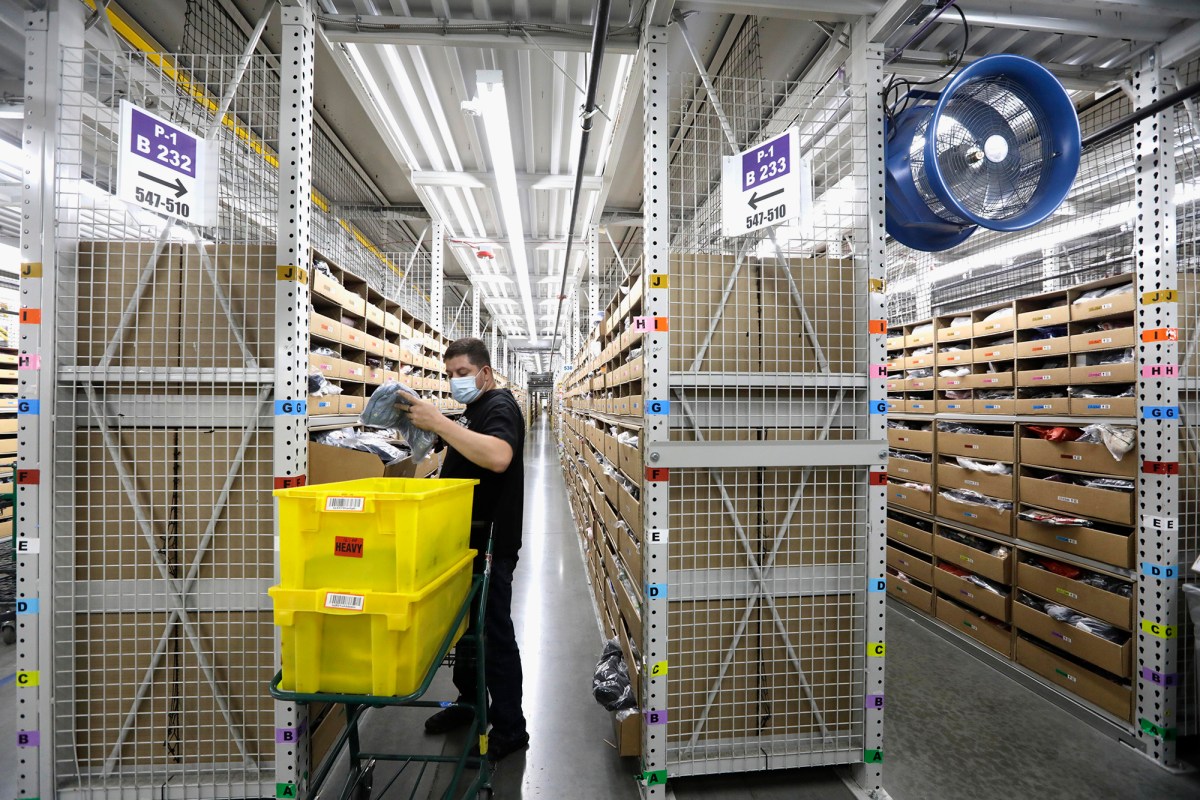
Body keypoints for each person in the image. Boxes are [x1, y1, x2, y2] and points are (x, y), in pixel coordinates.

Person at [395, 337, 529, 761]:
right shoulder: (475, 410)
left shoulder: (500, 406)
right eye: (450, 375)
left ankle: (510, 728)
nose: (456, 382)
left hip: (492, 543)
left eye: (463, 374)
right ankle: (471, 705)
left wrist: (440, 424)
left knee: (494, 635)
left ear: (485, 373)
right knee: (468, 635)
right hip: (464, 541)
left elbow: (499, 457)